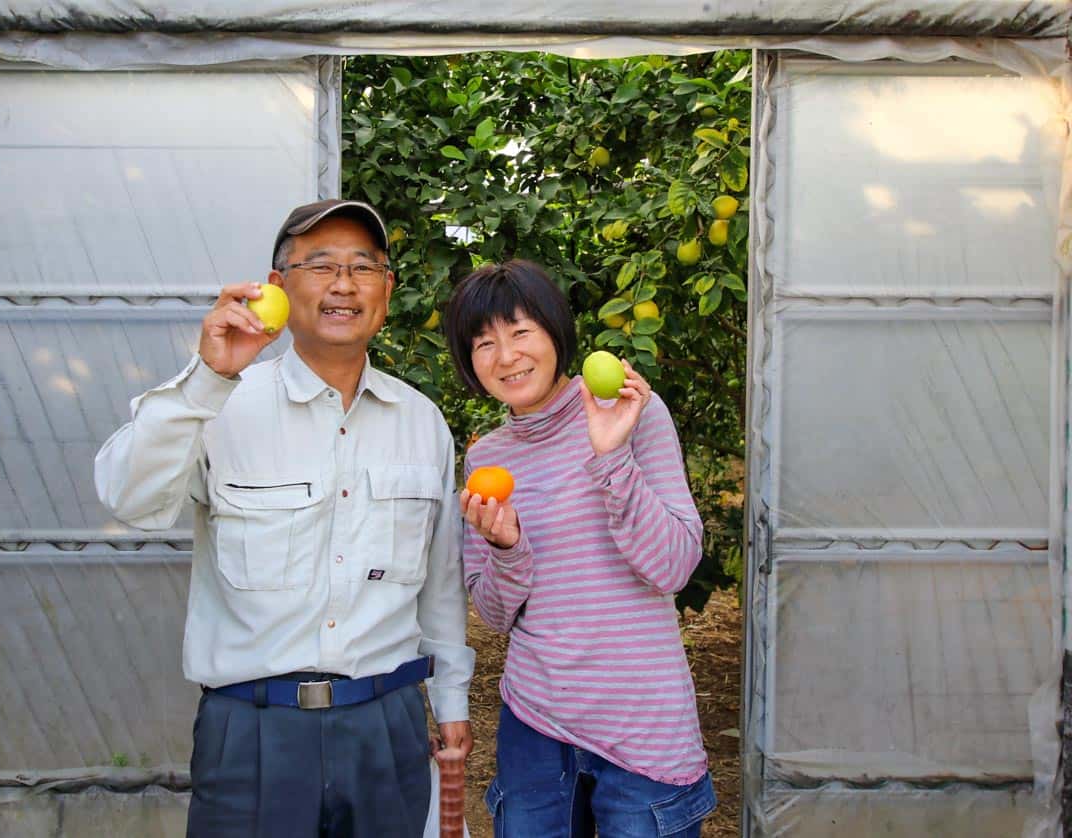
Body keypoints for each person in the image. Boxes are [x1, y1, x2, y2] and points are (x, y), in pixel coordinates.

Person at [94, 199, 474, 837]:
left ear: (387, 289)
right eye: (320, 265)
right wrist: (205, 380)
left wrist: (452, 700)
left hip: (385, 727)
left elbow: (439, 584)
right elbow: (130, 500)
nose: (343, 285)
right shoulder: (221, 403)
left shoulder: (421, 423)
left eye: (364, 266)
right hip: (252, 731)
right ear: (277, 287)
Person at [444, 259, 716, 837]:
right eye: (484, 343)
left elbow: (671, 567)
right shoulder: (487, 458)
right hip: (536, 723)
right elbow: (494, 614)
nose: (506, 355)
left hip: (642, 724)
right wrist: (507, 546)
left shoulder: (633, 412)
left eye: (520, 332)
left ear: (554, 332)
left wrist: (611, 455)